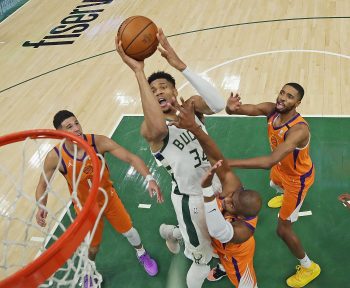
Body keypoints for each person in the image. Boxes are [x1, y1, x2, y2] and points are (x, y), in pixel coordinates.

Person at [116, 28, 226, 287]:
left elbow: (218, 104)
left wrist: (180, 65)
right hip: (191, 199)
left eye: (164, 87)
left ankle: (171, 232)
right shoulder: (152, 131)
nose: (159, 92)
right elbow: (157, 127)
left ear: (175, 90)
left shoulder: (191, 109)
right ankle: (177, 234)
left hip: (217, 185)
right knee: (201, 261)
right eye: (153, 91)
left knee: (220, 236)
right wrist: (139, 72)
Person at [35, 110, 162, 284]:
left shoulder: (98, 142)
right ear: (60, 133)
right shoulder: (55, 156)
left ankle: (142, 253)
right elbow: (42, 184)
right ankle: (89, 271)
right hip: (85, 208)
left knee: (129, 231)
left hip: (108, 198)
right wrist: (41, 205)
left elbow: (131, 158)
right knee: (93, 247)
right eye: (69, 127)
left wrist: (149, 177)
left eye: (76, 123)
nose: (77, 128)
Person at [225, 84, 321, 287]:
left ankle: (308, 266)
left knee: (283, 230)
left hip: (297, 179)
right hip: (281, 170)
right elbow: (242, 109)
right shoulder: (272, 110)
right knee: (273, 182)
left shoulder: (298, 130)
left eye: (290, 97)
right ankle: (284, 195)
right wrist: (231, 107)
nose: (283, 98)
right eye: (282, 93)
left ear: (297, 103)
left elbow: (269, 160)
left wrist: (230, 163)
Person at [168, 99, 262, 287]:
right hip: (220, 243)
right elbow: (215, 157)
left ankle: (225, 268)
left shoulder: (243, 232)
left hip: (235, 258)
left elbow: (218, 230)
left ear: (241, 215)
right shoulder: (234, 191)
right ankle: (177, 234)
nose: (226, 199)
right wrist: (195, 128)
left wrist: (208, 191)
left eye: (231, 204)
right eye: (231, 196)